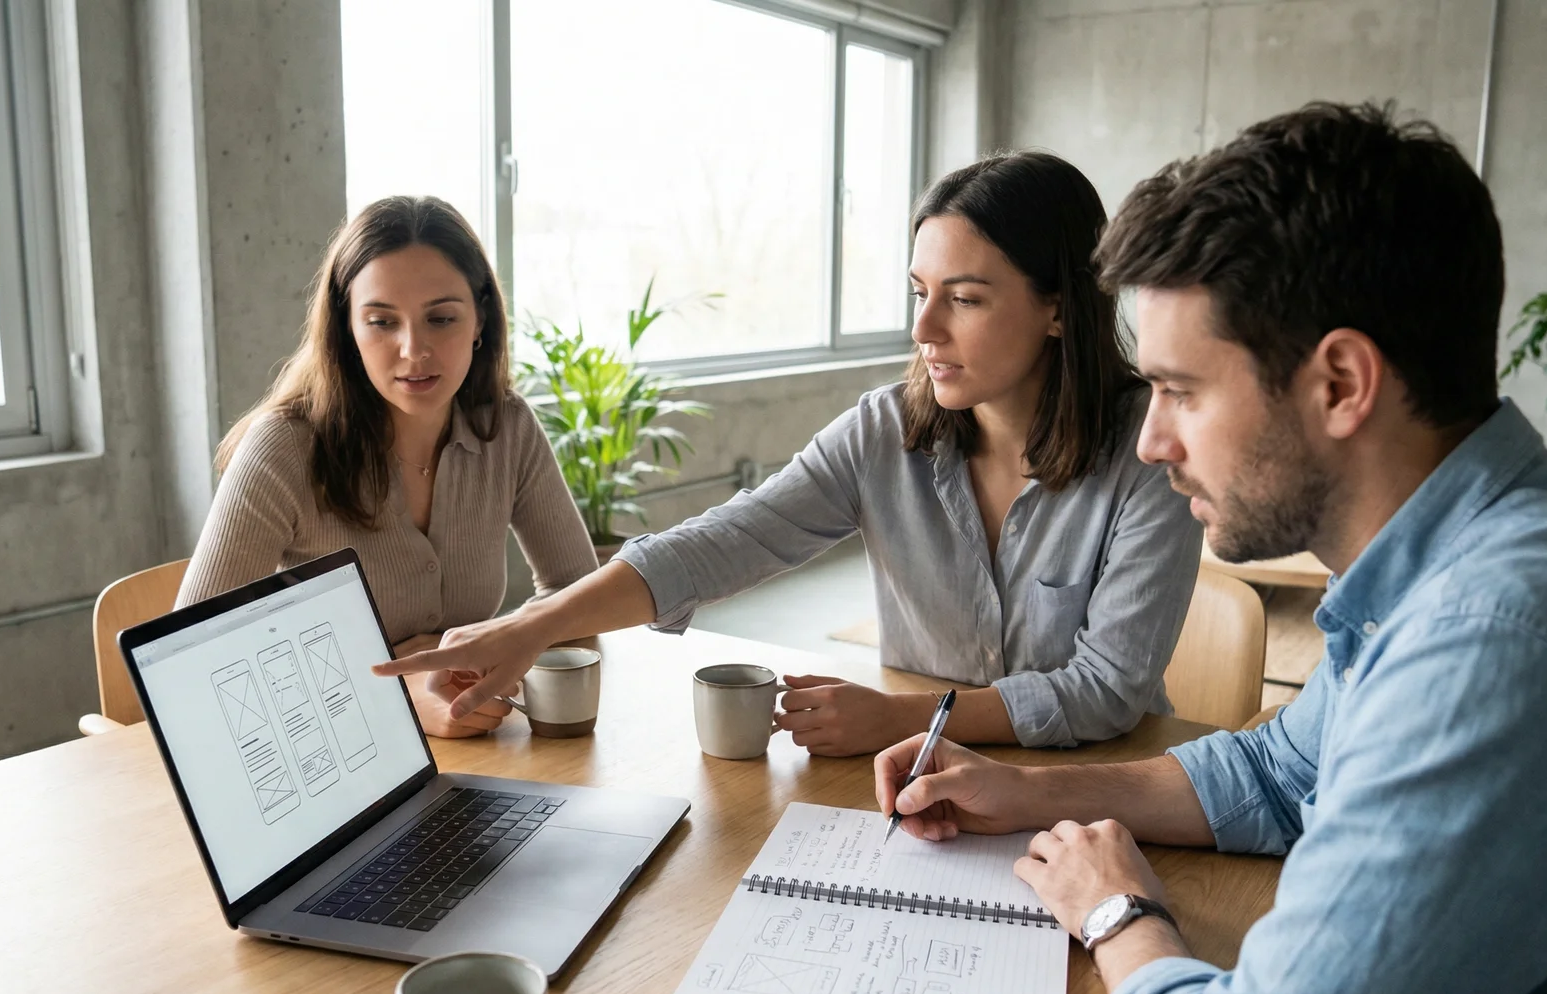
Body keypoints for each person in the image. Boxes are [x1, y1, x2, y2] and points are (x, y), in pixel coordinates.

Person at [874, 102, 1547, 994]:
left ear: (1338, 383)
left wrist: (1116, 914)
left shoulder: (1500, 645)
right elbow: (1279, 775)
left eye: (1180, 391)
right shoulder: (1476, 545)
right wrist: (1028, 793)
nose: (1149, 442)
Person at [380, 152, 1202, 754]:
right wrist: (533, 627)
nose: (924, 331)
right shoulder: (884, 432)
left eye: (966, 299)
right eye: (920, 294)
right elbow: (724, 541)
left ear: (1058, 308)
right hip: (920, 785)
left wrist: (911, 718)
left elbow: (1106, 692)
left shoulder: (1149, 452)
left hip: (1091, 785)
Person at [178, 196, 597, 737]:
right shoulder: (282, 448)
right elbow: (189, 662)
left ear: (480, 320)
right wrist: (393, 687)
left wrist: (492, 650)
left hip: (480, 755)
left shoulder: (507, 426)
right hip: (337, 757)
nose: (413, 349)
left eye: (441, 318)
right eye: (381, 322)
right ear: (347, 330)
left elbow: (580, 597)